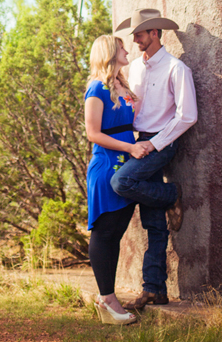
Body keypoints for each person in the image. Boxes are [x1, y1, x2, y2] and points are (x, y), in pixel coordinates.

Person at [110, 8, 198, 310]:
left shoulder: (176, 69)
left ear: (155, 34)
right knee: (153, 221)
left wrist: (155, 144)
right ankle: (155, 289)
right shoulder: (134, 68)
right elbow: (133, 108)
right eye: (133, 34)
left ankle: (171, 193)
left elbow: (187, 115)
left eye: (140, 34)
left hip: (162, 142)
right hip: (138, 141)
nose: (134, 39)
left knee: (122, 181)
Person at [84, 34, 144, 325]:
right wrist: (131, 147)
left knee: (116, 233)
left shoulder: (122, 84)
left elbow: (129, 120)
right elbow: (93, 133)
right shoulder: (96, 88)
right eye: (122, 47)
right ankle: (108, 298)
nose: (127, 49)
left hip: (126, 166)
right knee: (104, 232)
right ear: (109, 52)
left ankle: (105, 298)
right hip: (108, 167)